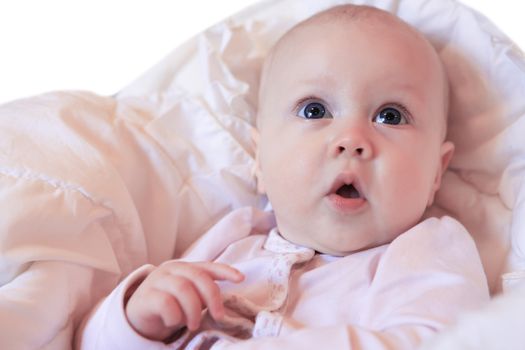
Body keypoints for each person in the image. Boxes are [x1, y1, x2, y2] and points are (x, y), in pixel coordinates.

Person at [76, 4, 489, 349]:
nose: (351, 140)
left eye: (390, 116)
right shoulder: (233, 240)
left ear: (437, 171)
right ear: (260, 159)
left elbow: (444, 340)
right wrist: (137, 317)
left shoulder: (428, 248)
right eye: (315, 111)